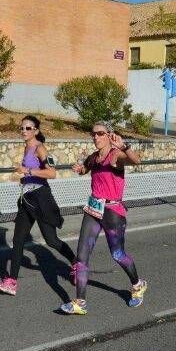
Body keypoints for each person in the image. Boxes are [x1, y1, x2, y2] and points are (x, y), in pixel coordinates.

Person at [61, 121, 145, 315]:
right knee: (81, 257)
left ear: (109, 135)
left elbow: (136, 160)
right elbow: (85, 169)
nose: (96, 137)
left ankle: (138, 285)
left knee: (117, 254)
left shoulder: (115, 155)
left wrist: (124, 146)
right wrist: (79, 169)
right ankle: (80, 302)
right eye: (93, 134)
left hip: (113, 211)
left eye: (100, 134)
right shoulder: (94, 157)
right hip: (93, 209)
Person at [0, 116, 76, 295]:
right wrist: (25, 177)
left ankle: (77, 264)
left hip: (41, 199)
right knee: (18, 240)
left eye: (28, 128)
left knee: (51, 240)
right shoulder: (26, 147)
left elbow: (52, 173)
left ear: (36, 130)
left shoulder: (40, 148)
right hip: (27, 199)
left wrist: (28, 171)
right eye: (22, 128)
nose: (24, 131)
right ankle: (11, 282)